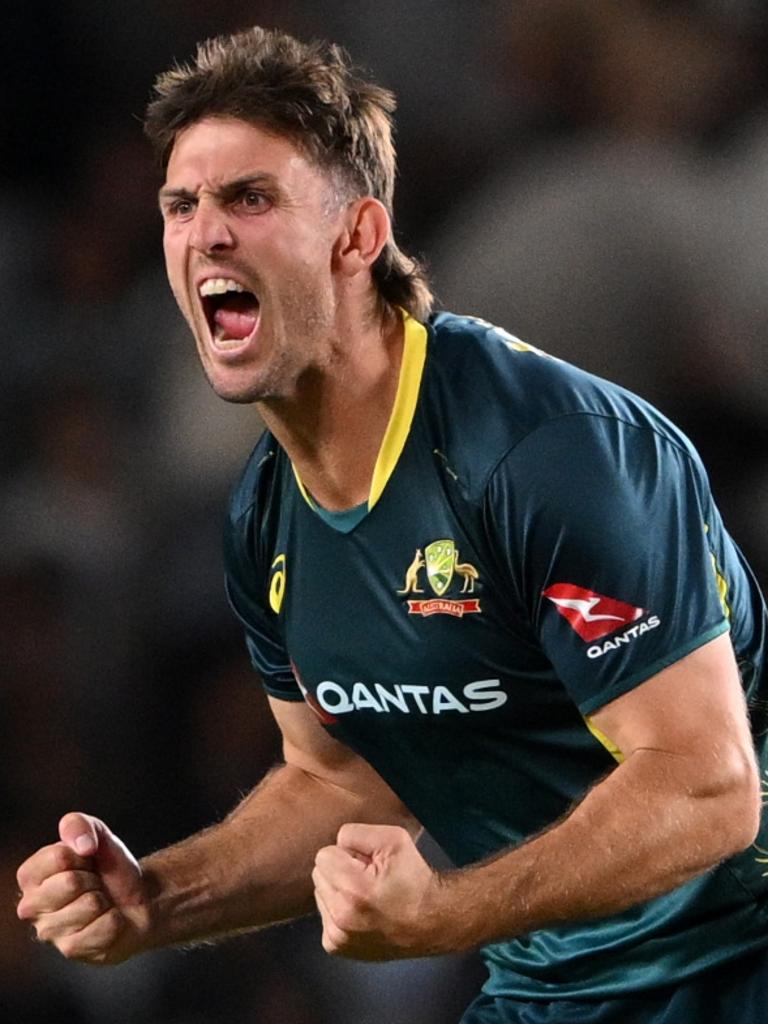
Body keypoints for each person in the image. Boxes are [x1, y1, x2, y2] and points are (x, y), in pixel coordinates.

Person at [16, 25, 768, 1024]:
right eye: (181, 205)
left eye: (250, 197)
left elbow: (708, 787)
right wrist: (152, 901)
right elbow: (345, 781)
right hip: (545, 992)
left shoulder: (546, 451)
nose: (205, 234)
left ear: (359, 238)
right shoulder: (267, 510)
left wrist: (442, 913)